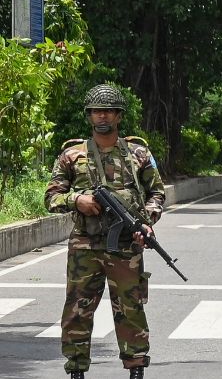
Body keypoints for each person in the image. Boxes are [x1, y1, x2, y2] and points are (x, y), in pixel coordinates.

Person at [44, 84, 166, 379]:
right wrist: (77, 199)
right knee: (77, 309)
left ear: (118, 116)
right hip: (85, 246)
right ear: (89, 116)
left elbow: (157, 194)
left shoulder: (138, 153)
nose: (102, 116)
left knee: (130, 307)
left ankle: (136, 367)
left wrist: (147, 221)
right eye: (97, 111)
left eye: (108, 111)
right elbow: (51, 198)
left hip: (126, 246)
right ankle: (76, 369)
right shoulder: (72, 155)